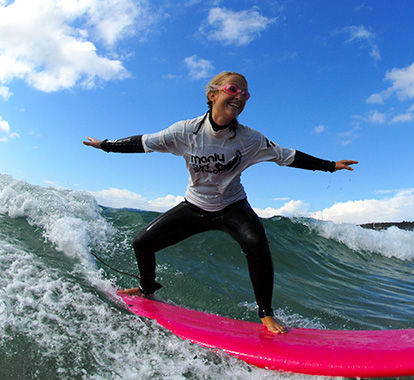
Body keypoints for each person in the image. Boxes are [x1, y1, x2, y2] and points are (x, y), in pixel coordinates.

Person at [83, 71, 356, 333]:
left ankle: (266, 313)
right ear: (213, 94)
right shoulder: (185, 131)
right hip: (195, 206)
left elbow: (287, 156)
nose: (240, 96)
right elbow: (145, 142)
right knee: (142, 243)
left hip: (232, 206)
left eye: (245, 94)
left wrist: (330, 165)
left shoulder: (250, 139)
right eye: (233, 89)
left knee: (257, 245)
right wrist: (106, 145)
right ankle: (146, 288)